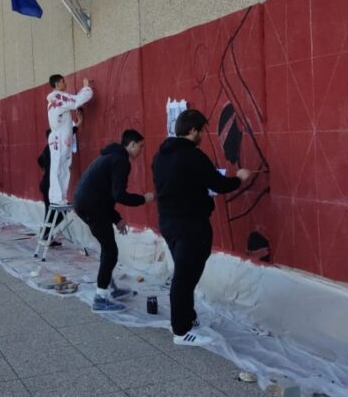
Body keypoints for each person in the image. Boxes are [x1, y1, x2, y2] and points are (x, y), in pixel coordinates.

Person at [152, 109, 251, 346]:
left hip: (168, 222)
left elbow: (177, 184)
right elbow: (219, 184)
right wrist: (240, 177)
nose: (203, 136)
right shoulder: (192, 156)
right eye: (202, 131)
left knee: (186, 273)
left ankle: (187, 317)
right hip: (190, 225)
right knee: (185, 277)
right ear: (193, 130)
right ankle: (181, 330)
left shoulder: (160, 156)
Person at [74, 129, 155, 313]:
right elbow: (119, 195)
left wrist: (117, 219)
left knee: (107, 246)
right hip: (91, 206)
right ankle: (100, 298)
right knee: (111, 250)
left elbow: (106, 194)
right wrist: (144, 199)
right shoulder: (121, 160)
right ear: (132, 144)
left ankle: (109, 287)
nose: (141, 151)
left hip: (88, 202)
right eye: (140, 146)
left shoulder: (111, 156)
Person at [46, 74, 93, 205]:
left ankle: (58, 198)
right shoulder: (59, 97)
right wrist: (86, 88)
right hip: (60, 139)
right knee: (61, 168)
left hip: (58, 138)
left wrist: (77, 123)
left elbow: (63, 120)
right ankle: (58, 198)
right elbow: (77, 100)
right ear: (56, 84)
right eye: (62, 81)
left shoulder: (52, 101)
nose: (65, 83)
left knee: (60, 167)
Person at [38, 108, 83, 223]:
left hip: (45, 183)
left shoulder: (46, 149)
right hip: (51, 184)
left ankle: (47, 236)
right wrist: (78, 123)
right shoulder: (54, 149)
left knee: (48, 211)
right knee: (57, 212)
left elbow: (39, 160)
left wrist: (44, 169)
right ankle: (48, 235)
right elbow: (66, 138)